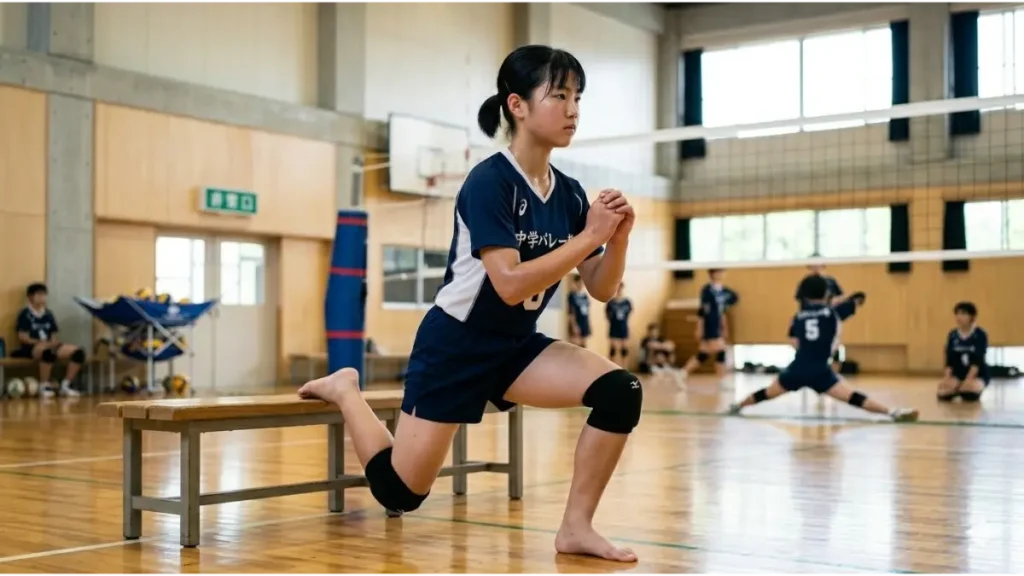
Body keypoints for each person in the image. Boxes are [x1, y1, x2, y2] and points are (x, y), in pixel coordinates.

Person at [298, 45, 641, 563]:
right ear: (518, 106)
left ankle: (576, 527)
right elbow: (507, 283)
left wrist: (616, 239)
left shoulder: (568, 193)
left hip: (516, 347)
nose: (573, 109)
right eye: (560, 95)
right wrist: (587, 235)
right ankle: (347, 391)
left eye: (578, 98)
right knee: (400, 493)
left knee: (622, 391)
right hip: (456, 344)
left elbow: (600, 287)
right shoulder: (490, 181)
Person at [727, 275, 918, 422]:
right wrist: (853, 300)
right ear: (827, 294)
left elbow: (794, 340)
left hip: (798, 367)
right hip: (820, 370)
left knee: (767, 393)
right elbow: (855, 302)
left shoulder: (799, 316)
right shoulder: (832, 314)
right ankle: (891, 412)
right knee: (852, 397)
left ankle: (737, 406)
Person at [12, 282, 84, 398]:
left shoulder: (48, 314)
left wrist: (53, 343)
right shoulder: (25, 314)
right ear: (30, 297)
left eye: (44, 295)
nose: (42, 297)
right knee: (47, 352)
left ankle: (66, 385)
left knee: (78, 352)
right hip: (32, 347)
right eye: (39, 294)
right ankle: (43, 385)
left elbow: (53, 335)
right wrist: (40, 343)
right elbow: (22, 337)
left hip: (49, 344)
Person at [681, 269, 731, 381]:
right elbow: (702, 311)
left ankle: (683, 373)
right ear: (713, 274)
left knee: (704, 354)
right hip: (709, 325)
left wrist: (724, 327)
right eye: (719, 272)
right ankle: (722, 380)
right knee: (721, 351)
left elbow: (722, 312)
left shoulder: (722, 291)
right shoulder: (707, 290)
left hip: (716, 325)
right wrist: (699, 328)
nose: (722, 274)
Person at [799, 258, 847, 372]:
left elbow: (841, 296)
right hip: (810, 317)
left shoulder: (830, 281)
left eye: (818, 264)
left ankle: (834, 372)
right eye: (813, 265)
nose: (815, 267)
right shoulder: (806, 282)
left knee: (833, 343)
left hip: (827, 317)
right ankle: (809, 369)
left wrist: (834, 300)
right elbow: (800, 299)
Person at [937, 301, 989, 402]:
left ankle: (962, 388)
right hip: (957, 374)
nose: (959, 317)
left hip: (977, 374)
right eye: (957, 314)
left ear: (972, 317)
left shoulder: (980, 334)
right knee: (942, 392)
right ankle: (957, 387)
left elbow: (977, 360)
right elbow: (949, 359)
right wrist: (947, 379)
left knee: (969, 391)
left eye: (963, 314)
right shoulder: (953, 334)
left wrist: (968, 379)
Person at [605, 283, 632, 367]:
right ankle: (612, 367)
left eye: (621, 288)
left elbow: (629, 314)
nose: (619, 290)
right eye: (618, 288)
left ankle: (624, 368)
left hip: (623, 327)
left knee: (624, 349)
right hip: (614, 327)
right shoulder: (611, 302)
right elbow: (607, 315)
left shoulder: (627, 302)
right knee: (613, 348)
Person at [566, 274, 590, 347]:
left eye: (582, 283)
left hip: (584, 322)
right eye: (579, 283)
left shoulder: (585, 297)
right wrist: (574, 325)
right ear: (575, 283)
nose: (581, 285)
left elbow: (586, 311)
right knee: (575, 346)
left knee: (584, 346)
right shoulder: (571, 296)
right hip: (576, 322)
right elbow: (571, 313)